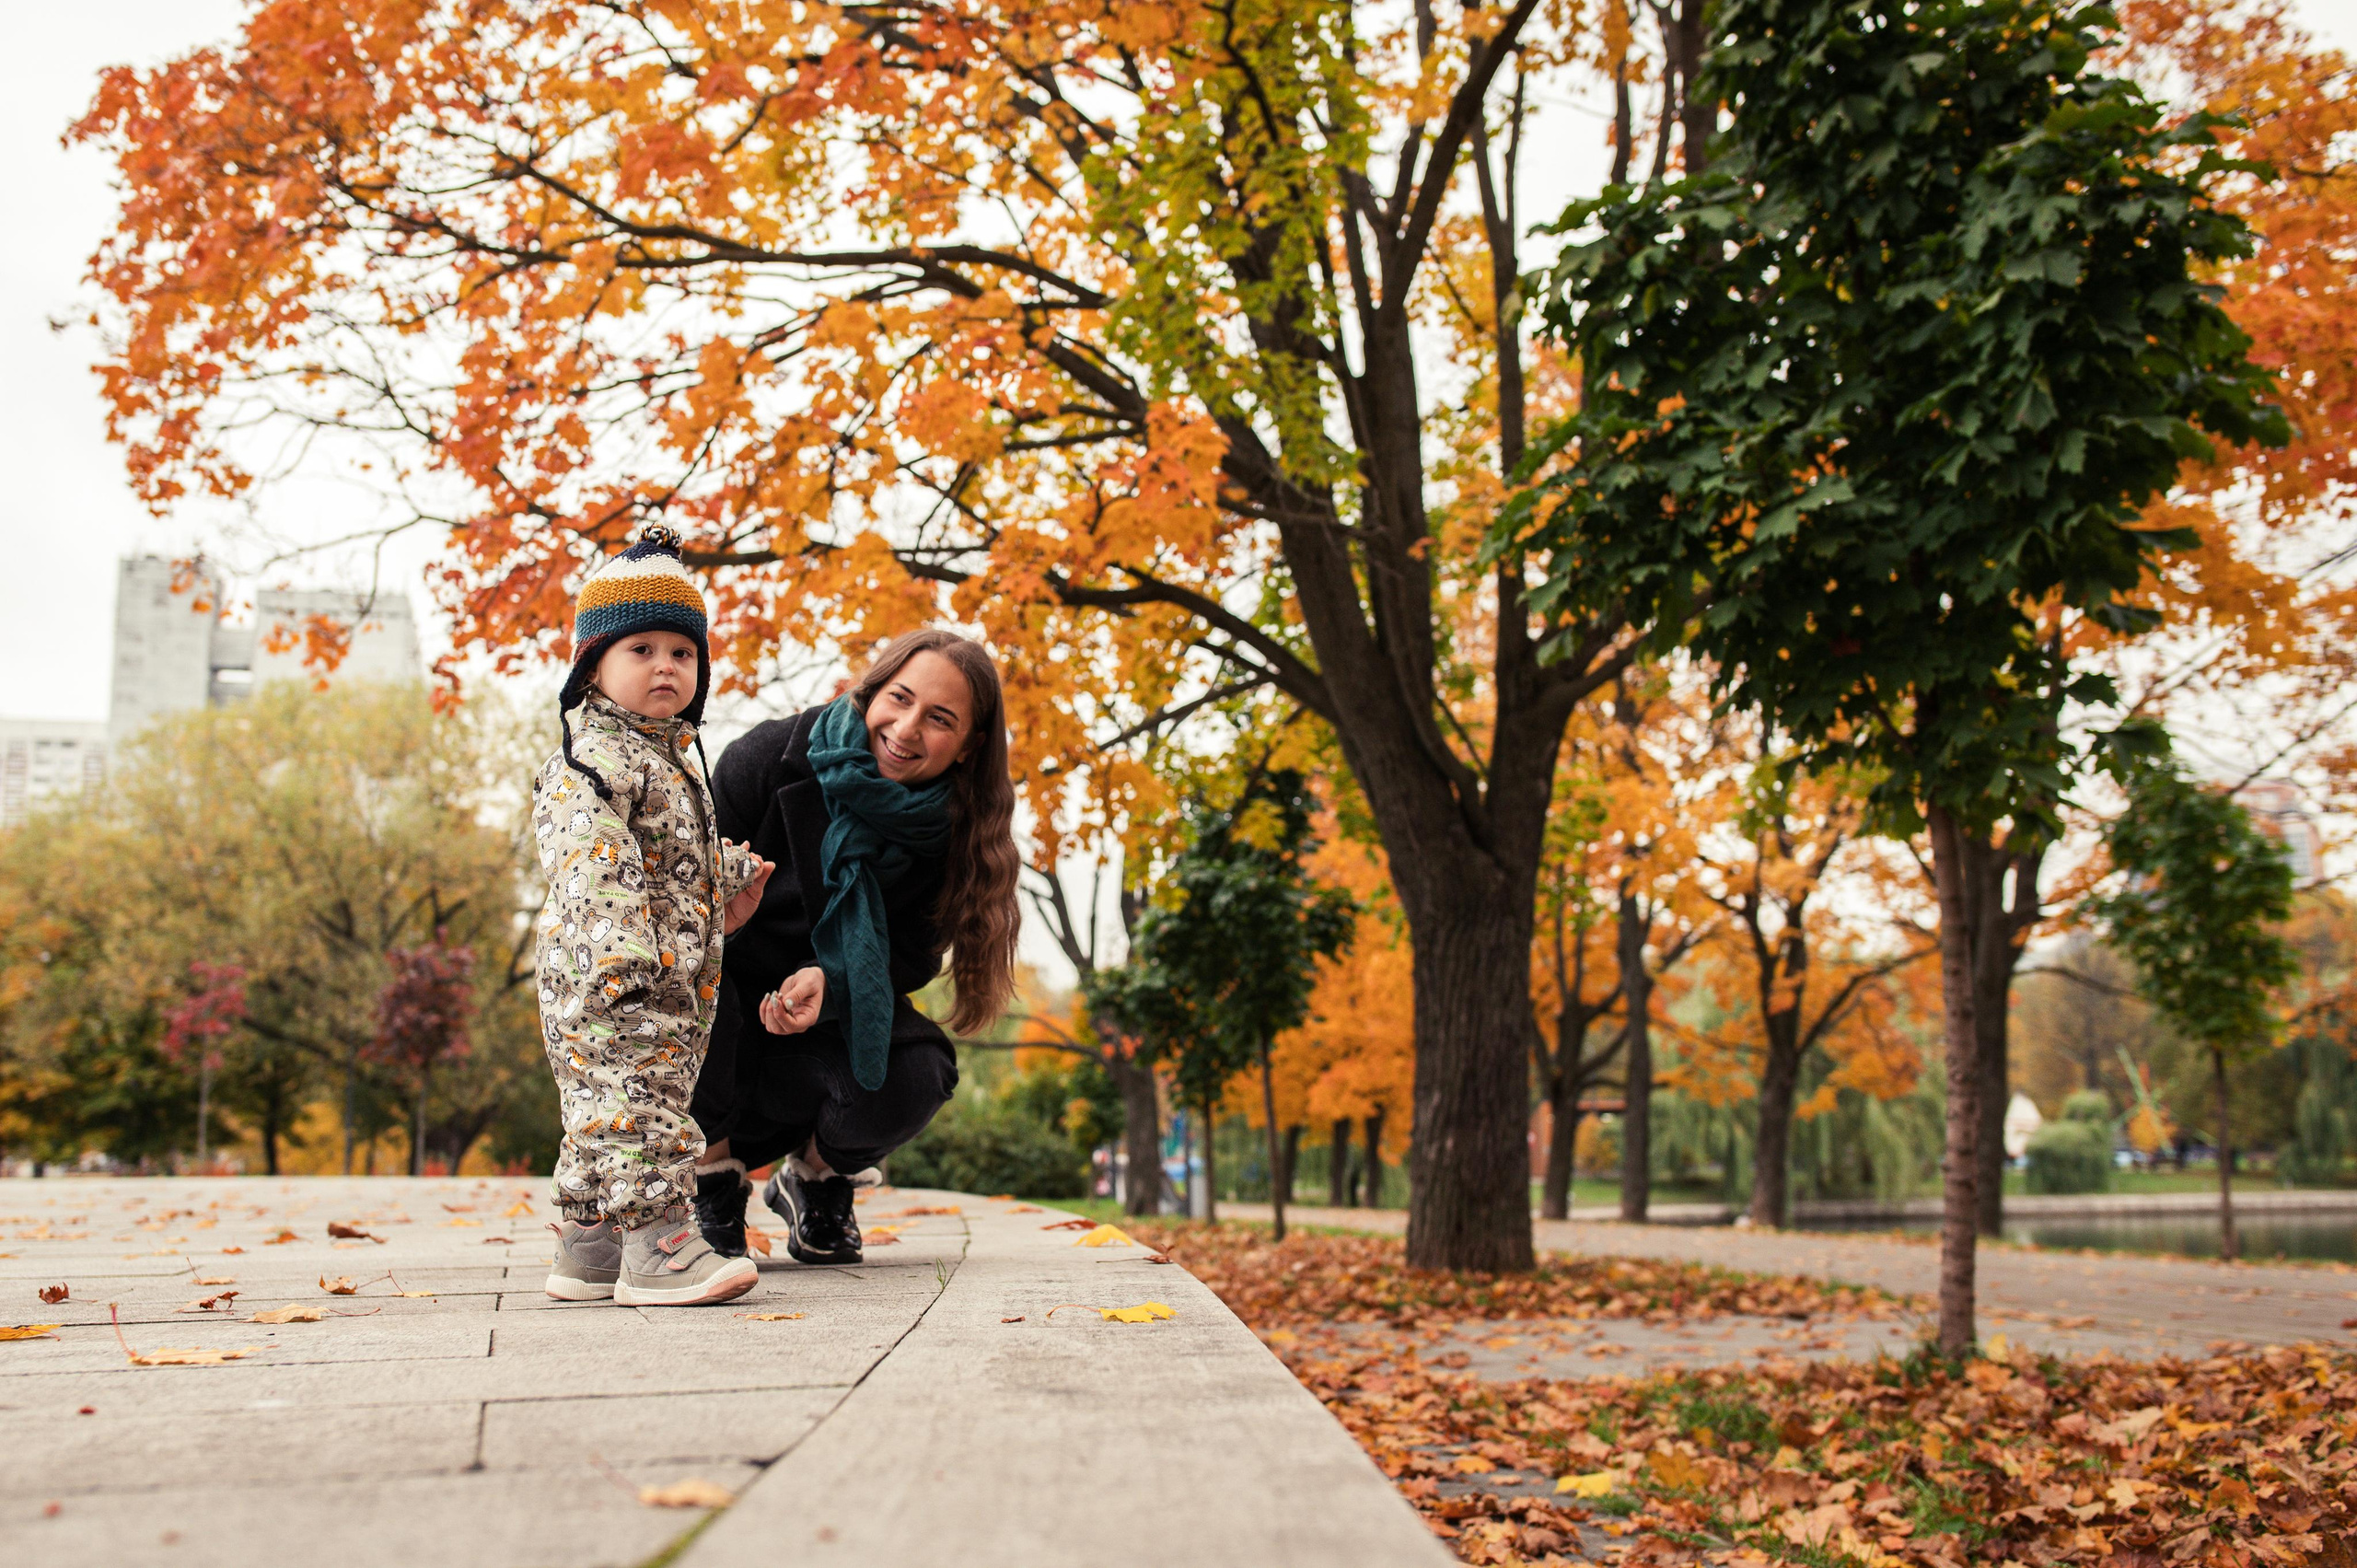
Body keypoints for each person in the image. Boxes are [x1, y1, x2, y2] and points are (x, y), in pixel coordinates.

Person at [688, 630, 1020, 1264]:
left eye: (940, 719)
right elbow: (675, 906)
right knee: (683, 989)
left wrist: (833, 983)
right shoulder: (767, 759)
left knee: (922, 1072)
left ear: (970, 746)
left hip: (829, 1033)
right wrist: (726, 929)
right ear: (872, 692)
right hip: (719, 1032)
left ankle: (816, 1178)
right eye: (899, 698)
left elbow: (916, 956)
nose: (907, 727)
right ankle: (710, 1181)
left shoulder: (955, 831)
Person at [533, 525, 776, 1307]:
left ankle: (588, 1240)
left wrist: (726, 887)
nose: (666, 665)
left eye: (682, 651)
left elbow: (677, 866)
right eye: (642, 650)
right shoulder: (591, 758)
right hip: (611, 978)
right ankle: (657, 1243)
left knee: (613, 1107)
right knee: (633, 1106)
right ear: (593, 666)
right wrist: (621, 954)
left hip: (673, 989)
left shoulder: (670, 760)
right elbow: (591, 859)